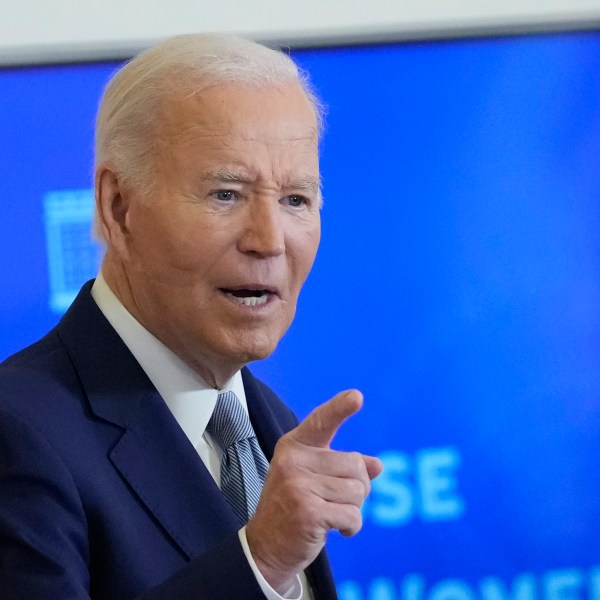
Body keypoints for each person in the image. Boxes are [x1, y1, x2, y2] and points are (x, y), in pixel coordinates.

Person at [0, 33, 383, 599]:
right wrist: (263, 560)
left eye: (296, 199)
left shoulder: (268, 422)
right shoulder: (19, 432)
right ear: (119, 208)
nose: (269, 240)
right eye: (226, 194)